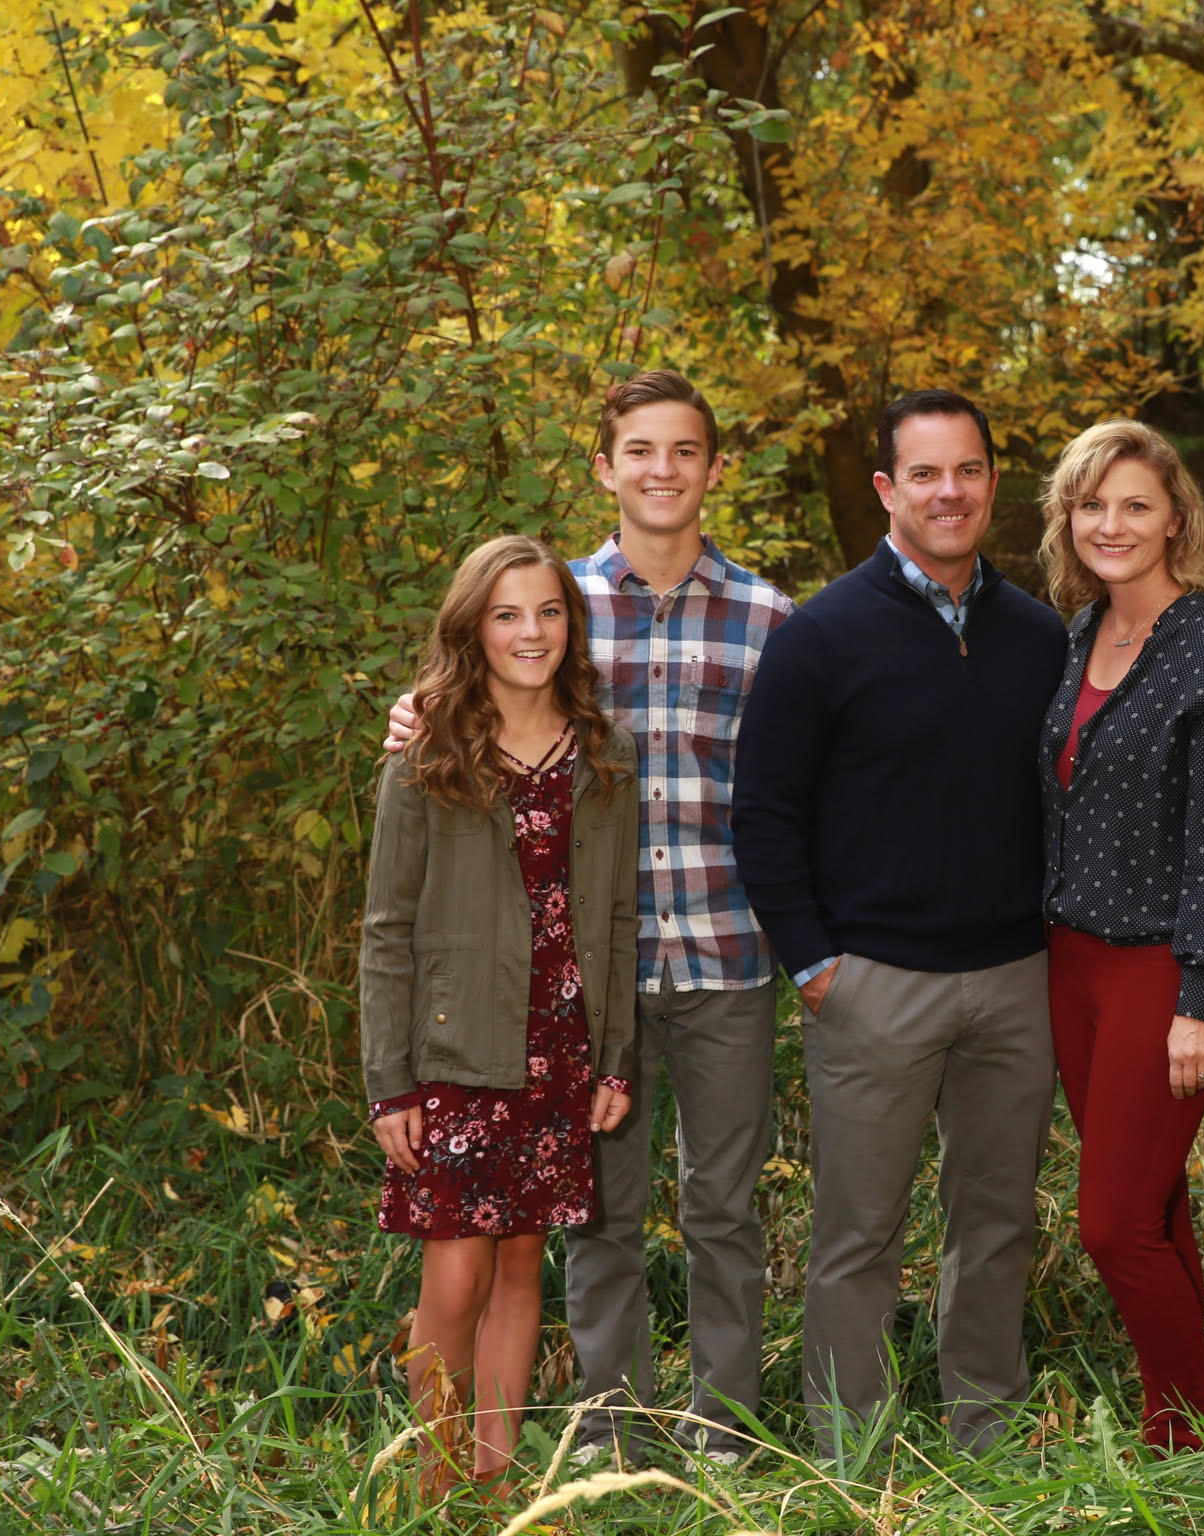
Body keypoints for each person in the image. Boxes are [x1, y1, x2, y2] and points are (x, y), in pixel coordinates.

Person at [386, 371, 795, 1466]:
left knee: (723, 1207)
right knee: (594, 1215)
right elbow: (466, 694)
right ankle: (613, 1428)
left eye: (685, 450)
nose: (664, 470)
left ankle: (726, 1425)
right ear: (604, 467)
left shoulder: (770, 620)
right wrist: (417, 711)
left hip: (723, 949)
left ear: (715, 469)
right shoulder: (551, 606)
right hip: (571, 982)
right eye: (641, 450)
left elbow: (803, 783)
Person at [730, 388, 1068, 1452]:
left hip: (1015, 979)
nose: (948, 492)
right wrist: (813, 963)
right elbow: (765, 811)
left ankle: (986, 1428)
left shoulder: (1040, 635)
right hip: (872, 983)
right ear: (887, 488)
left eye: (967, 470)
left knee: (997, 1222)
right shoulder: (820, 636)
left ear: (993, 483)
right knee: (858, 1233)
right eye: (925, 473)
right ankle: (849, 1443)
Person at [360, 534, 639, 1498]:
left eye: (549, 611)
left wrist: (613, 1058)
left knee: (523, 1263)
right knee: (455, 1278)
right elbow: (386, 928)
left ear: (572, 624)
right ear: (472, 629)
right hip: (455, 1047)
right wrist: (389, 1083)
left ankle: (495, 1484)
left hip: (559, 1046)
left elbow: (616, 917)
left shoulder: (603, 753)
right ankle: (434, 1487)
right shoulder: (427, 755)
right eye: (507, 614)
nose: (532, 632)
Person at [1033, 421, 1204, 1453]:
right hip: (1070, 963)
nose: (1112, 524)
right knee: (1151, 1198)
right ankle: (1181, 1411)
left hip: (1160, 968)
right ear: (1067, 519)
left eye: (1136, 504)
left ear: (1177, 517)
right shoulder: (1079, 635)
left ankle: (1185, 1438)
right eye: (1092, 505)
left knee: (1112, 1223)